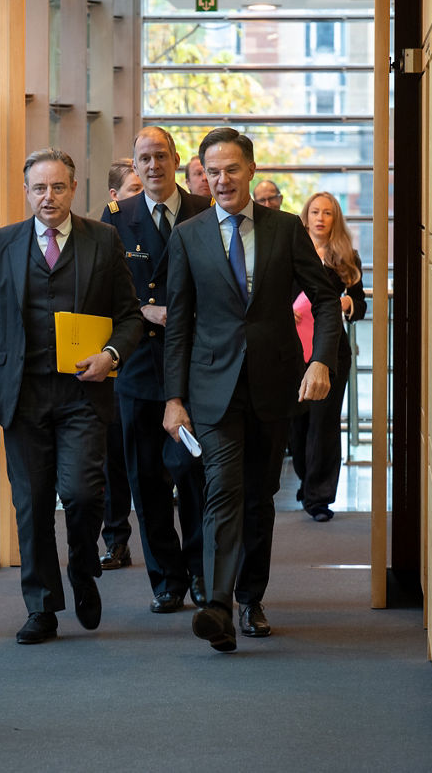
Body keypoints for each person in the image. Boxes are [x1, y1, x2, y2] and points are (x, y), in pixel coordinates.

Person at [162, 127, 342, 652]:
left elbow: (327, 301)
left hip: (272, 384)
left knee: (261, 496)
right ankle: (217, 605)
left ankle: (250, 598)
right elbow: (179, 324)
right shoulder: (188, 236)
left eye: (231, 169)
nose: (222, 180)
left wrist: (321, 360)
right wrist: (174, 399)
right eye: (212, 171)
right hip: (211, 387)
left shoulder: (285, 229)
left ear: (251, 170)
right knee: (223, 488)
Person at [0, 147, 143, 644]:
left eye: (58, 186)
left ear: (73, 189)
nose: (49, 196)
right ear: (26, 193)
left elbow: (130, 317)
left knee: (84, 494)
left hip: (82, 395)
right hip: (21, 397)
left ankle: (83, 567)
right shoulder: (4, 244)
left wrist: (110, 354)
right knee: (33, 504)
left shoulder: (102, 241)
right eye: (39, 188)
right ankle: (41, 606)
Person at [101, 127, 212, 614]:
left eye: (161, 156)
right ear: (134, 163)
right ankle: (166, 580)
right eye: (143, 158)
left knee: (195, 478)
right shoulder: (112, 221)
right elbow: (100, 291)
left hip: (193, 368)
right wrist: (142, 311)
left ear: (176, 159)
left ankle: (203, 576)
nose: (152, 166)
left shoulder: (205, 213)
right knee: (147, 483)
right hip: (139, 368)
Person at [289, 192, 367, 521]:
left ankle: (319, 497)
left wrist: (349, 304)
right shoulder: (289, 251)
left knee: (324, 423)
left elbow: (360, 306)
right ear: (305, 217)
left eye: (328, 213)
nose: (321, 218)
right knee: (297, 425)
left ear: (336, 220)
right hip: (291, 351)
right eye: (315, 212)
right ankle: (309, 481)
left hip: (332, 351)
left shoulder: (346, 257)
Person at [98, 160, 146, 572]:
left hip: (151, 356)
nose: (141, 193)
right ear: (114, 196)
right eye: (133, 188)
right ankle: (116, 539)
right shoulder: (106, 231)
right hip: (115, 357)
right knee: (114, 454)